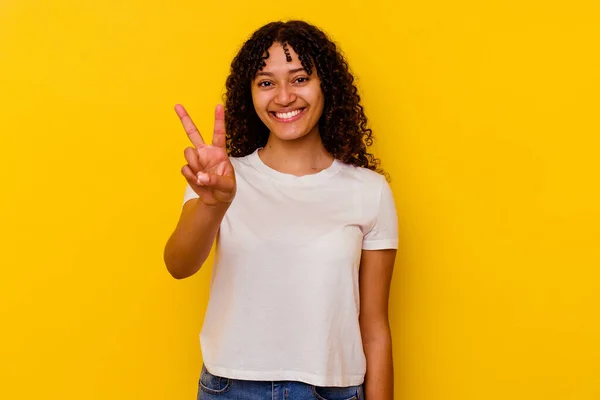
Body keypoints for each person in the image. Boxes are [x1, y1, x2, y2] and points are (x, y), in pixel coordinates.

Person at [164, 20, 398, 400]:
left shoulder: (369, 191)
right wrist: (213, 205)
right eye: (267, 82)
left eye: (300, 78)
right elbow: (178, 265)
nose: (284, 97)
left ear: (328, 87)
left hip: (334, 392)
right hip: (231, 389)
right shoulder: (222, 177)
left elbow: (374, 328)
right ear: (250, 94)